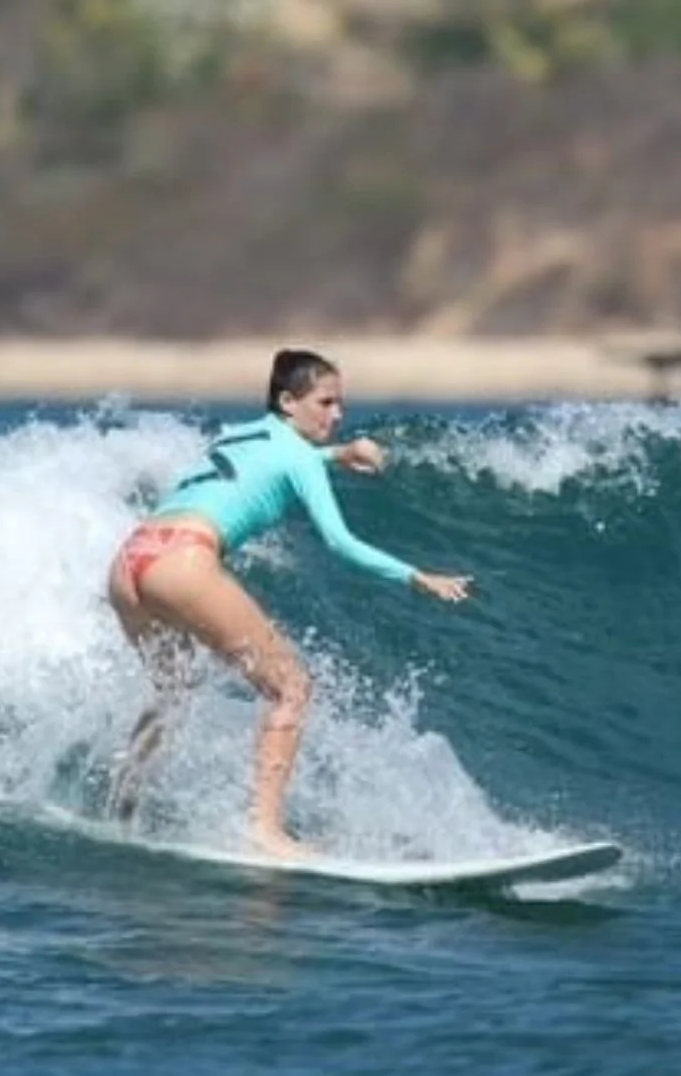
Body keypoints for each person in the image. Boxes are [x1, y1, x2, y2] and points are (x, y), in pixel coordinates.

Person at [105, 349, 472, 856]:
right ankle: (265, 830)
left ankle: (120, 808)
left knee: (174, 690)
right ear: (287, 401)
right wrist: (417, 576)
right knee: (292, 688)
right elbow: (340, 543)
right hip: (185, 562)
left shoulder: (237, 433)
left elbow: (268, 460)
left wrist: (337, 453)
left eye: (341, 404)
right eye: (326, 402)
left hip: (130, 561)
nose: (338, 414)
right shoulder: (300, 457)